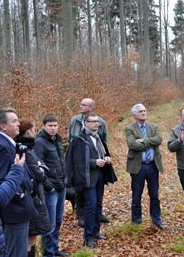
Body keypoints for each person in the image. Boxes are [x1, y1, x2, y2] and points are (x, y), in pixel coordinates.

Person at [0, 108, 37, 257]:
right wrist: (18, 194)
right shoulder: (0, 146)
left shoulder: (7, 143)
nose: (19, 123)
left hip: (18, 211)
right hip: (14, 212)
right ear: (3, 126)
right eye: (14, 121)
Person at [65, 112, 117, 248]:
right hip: (87, 178)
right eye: (93, 121)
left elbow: (104, 152)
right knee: (91, 205)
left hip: (100, 176)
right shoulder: (79, 140)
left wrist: (107, 158)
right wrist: (94, 162)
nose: (96, 124)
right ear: (86, 124)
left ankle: (95, 231)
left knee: (98, 204)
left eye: (97, 121)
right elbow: (77, 161)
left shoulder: (98, 137)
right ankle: (87, 237)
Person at [68, 98, 110, 226]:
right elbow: (70, 137)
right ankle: (80, 215)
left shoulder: (101, 122)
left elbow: (103, 140)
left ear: (91, 107)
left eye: (83, 105)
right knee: (80, 190)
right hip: (79, 159)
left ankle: (98, 215)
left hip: (96, 161)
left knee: (97, 194)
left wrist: (105, 156)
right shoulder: (75, 120)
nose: (80, 106)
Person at [125, 103, 167, 230]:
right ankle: (136, 221)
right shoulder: (130, 128)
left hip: (153, 166)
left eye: (144, 111)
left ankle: (156, 219)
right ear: (135, 115)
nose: (144, 113)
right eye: (140, 111)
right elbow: (132, 145)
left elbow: (159, 140)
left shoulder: (153, 126)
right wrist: (150, 141)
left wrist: (143, 141)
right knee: (136, 194)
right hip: (138, 167)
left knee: (154, 195)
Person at [15, 120, 53, 257]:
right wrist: (41, 171)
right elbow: (36, 170)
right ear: (27, 131)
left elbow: (40, 164)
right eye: (33, 129)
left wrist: (41, 168)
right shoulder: (22, 148)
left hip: (37, 193)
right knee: (29, 236)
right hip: (32, 195)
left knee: (33, 236)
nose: (35, 132)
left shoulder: (30, 147)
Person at [34, 114, 69, 257]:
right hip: (50, 189)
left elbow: (61, 162)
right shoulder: (40, 142)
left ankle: (54, 249)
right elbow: (38, 166)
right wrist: (49, 185)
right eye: (50, 125)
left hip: (62, 185)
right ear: (44, 126)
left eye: (55, 125)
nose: (53, 128)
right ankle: (48, 253)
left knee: (58, 221)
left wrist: (65, 179)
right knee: (49, 223)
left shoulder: (58, 140)